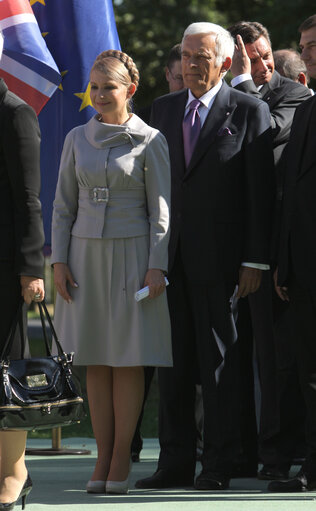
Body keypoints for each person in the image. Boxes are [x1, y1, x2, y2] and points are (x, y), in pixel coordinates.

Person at [135, 22, 275, 491]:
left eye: (202, 56)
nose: (193, 64)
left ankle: (218, 464)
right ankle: (173, 462)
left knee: (219, 368)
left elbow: (259, 194)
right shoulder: (164, 109)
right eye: (188, 55)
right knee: (171, 365)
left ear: (225, 63)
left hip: (224, 264)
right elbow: (154, 186)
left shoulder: (250, 111)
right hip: (169, 261)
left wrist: (255, 260)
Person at [51, 49, 172, 495]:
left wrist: (156, 266)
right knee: (94, 358)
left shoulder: (151, 140)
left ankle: (121, 455)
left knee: (128, 357)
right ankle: (102, 454)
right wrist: (59, 260)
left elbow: (160, 213)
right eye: (95, 87)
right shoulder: (75, 139)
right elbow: (63, 207)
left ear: (131, 90)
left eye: (110, 87)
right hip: (83, 258)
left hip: (133, 257)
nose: (100, 95)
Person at [228, 20, 311, 480]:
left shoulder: (294, 95)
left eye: (262, 56)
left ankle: (282, 456)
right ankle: (241, 451)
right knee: (244, 361)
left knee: (284, 361)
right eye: (250, 59)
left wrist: (242, 83)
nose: (260, 66)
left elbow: (263, 136)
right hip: (237, 250)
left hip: (284, 253)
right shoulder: (223, 101)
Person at [269, 14, 316, 492]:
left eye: (315, 44)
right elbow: (291, 193)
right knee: (309, 373)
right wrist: (282, 258)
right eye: (304, 46)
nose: (308, 54)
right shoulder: (304, 110)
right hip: (302, 267)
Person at [131, 41, 184, 463]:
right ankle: (129, 444)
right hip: (149, 255)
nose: (184, 83)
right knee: (142, 358)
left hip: (193, 252)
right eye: (178, 75)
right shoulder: (158, 115)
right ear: (168, 76)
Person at [0, 31, 45, 510]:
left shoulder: (15, 113)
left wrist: (31, 268)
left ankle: (14, 476)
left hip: (6, 269)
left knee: (6, 373)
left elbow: (29, 200)